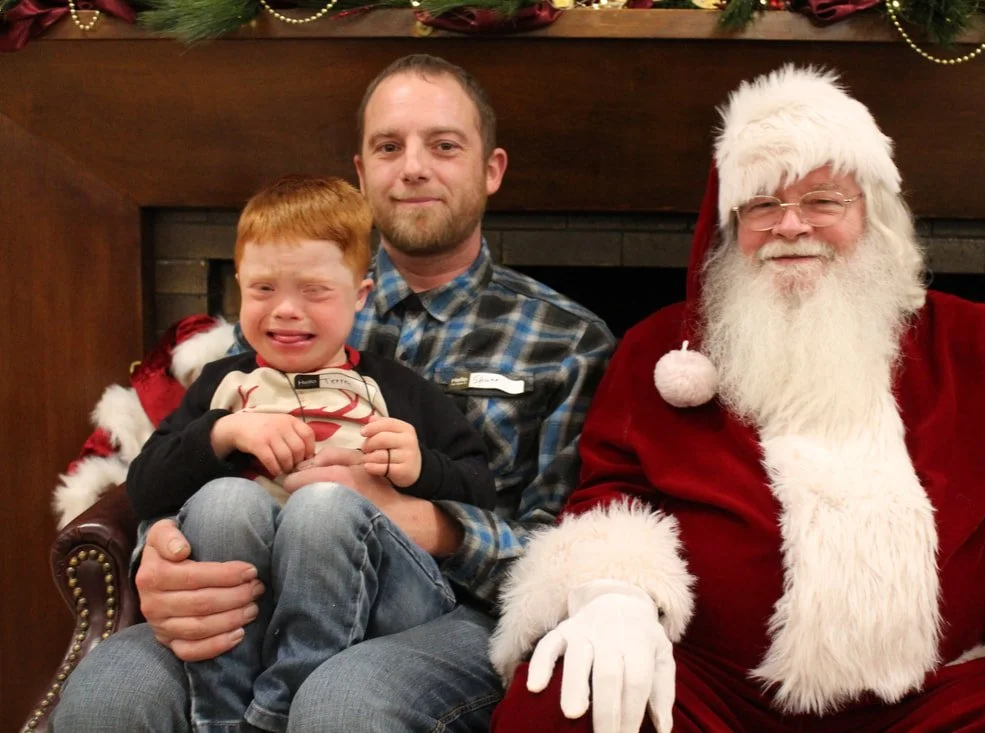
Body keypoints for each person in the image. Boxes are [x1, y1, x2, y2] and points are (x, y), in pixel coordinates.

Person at [488, 65, 985, 733]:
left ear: (872, 213)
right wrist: (613, 597)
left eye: (823, 200)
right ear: (731, 227)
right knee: (561, 701)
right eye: (761, 205)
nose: (791, 225)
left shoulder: (981, 343)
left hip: (940, 695)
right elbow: (609, 490)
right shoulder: (662, 349)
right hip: (715, 691)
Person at [50, 54, 616, 732]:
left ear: (490, 168)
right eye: (388, 146)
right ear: (361, 172)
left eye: (443, 145)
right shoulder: (293, 306)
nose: (412, 167)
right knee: (109, 692)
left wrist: (423, 521)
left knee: (341, 702)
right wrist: (160, 558)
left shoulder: (569, 339)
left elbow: (572, 547)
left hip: (452, 612)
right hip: (259, 586)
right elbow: (188, 455)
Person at [122, 173, 496, 732]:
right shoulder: (224, 385)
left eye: (315, 291)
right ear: (240, 288)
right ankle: (224, 718)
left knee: (322, 506)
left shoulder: (394, 386)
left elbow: (480, 486)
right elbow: (143, 486)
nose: (285, 311)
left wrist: (419, 468)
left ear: (360, 295)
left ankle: (279, 713)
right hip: (249, 594)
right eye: (263, 289)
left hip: (372, 601)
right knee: (226, 501)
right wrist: (222, 433)